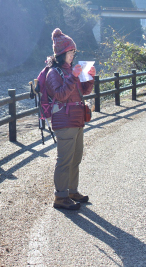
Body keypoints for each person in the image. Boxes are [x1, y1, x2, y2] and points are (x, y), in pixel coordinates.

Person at [45, 28, 96, 210]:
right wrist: (73, 77)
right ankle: (60, 197)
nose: (73, 55)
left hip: (77, 119)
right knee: (64, 160)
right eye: (71, 52)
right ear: (62, 53)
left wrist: (89, 78)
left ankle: (72, 191)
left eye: (74, 52)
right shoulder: (54, 73)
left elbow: (84, 91)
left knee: (76, 158)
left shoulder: (70, 71)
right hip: (64, 121)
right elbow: (60, 95)